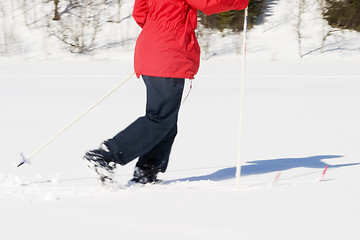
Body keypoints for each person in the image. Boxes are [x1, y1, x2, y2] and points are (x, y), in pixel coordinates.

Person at [84, 0, 249, 184]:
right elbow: (209, 3)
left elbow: (140, 12)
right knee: (160, 118)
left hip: (153, 48)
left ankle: (146, 172)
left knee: (167, 121)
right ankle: (105, 156)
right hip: (168, 53)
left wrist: (157, 32)